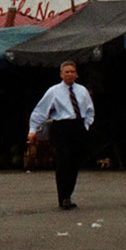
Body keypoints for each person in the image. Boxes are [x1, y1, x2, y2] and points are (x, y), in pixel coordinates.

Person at [27, 61, 95, 210]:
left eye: (72, 71)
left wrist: (86, 126)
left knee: (75, 162)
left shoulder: (82, 90)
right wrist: (33, 130)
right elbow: (40, 111)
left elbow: (89, 109)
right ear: (61, 74)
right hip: (62, 127)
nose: (70, 74)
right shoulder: (54, 91)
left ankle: (68, 194)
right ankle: (62, 196)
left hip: (78, 126)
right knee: (63, 161)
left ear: (76, 74)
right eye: (67, 72)